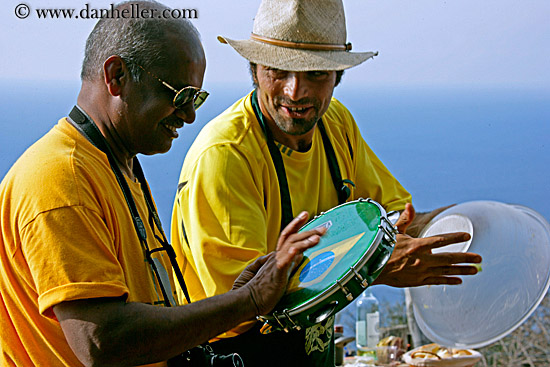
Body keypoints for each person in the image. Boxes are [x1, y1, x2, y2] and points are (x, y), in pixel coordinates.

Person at [0, 1, 328, 366]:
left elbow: (144, 316)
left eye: (197, 98)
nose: (189, 116)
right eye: (180, 96)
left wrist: (234, 301)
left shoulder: (115, 165)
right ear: (117, 76)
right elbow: (101, 341)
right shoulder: (63, 180)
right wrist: (247, 301)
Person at [171, 0, 482, 366]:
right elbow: (247, 300)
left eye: (316, 73)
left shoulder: (335, 123)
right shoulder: (225, 154)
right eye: (278, 71)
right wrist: (374, 267)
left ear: (338, 76)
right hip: (231, 353)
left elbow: (395, 217)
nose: (295, 92)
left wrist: (470, 221)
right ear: (254, 70)